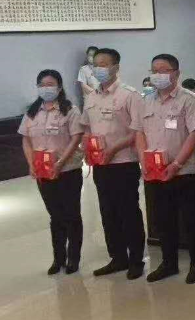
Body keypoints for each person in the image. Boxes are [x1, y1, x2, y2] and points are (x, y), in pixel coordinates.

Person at [133, 54, 195, 284]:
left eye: (163, 70)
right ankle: (168, 263)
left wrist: (176, 164)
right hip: (156, 172)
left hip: (186, 171)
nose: (158, 75)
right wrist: (144, 162)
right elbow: (139, 133)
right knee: (163, 221)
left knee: (192, 221)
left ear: (176, 73)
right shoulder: (145, 101)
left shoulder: (190, 100)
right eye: (154, 70)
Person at [80, 48, 145, 279]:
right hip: (100, 164)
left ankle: (136, 260)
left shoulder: (130, 95)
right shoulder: (91, 96)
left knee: (128, 211)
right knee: (108, 212)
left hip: (124, 162)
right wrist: (87, 148)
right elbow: (86, 127)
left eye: (104, 64)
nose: (99, 69)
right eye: (95, 64)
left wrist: (113, 149)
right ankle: (117, 258)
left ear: (116, 67)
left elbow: (137, 131)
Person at [19, 70, 84, 275]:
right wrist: (31, 164)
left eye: (50, 84)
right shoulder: (32, 112)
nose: (46, 88)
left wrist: (60, 163)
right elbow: (26, 139)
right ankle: (58, 258)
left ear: (59, 87)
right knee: (55, 216)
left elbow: (76, 138)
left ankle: (73, 258)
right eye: (42, 85)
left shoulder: (70, 110)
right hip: (43, 172)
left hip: (68, 170)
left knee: (71, 214)